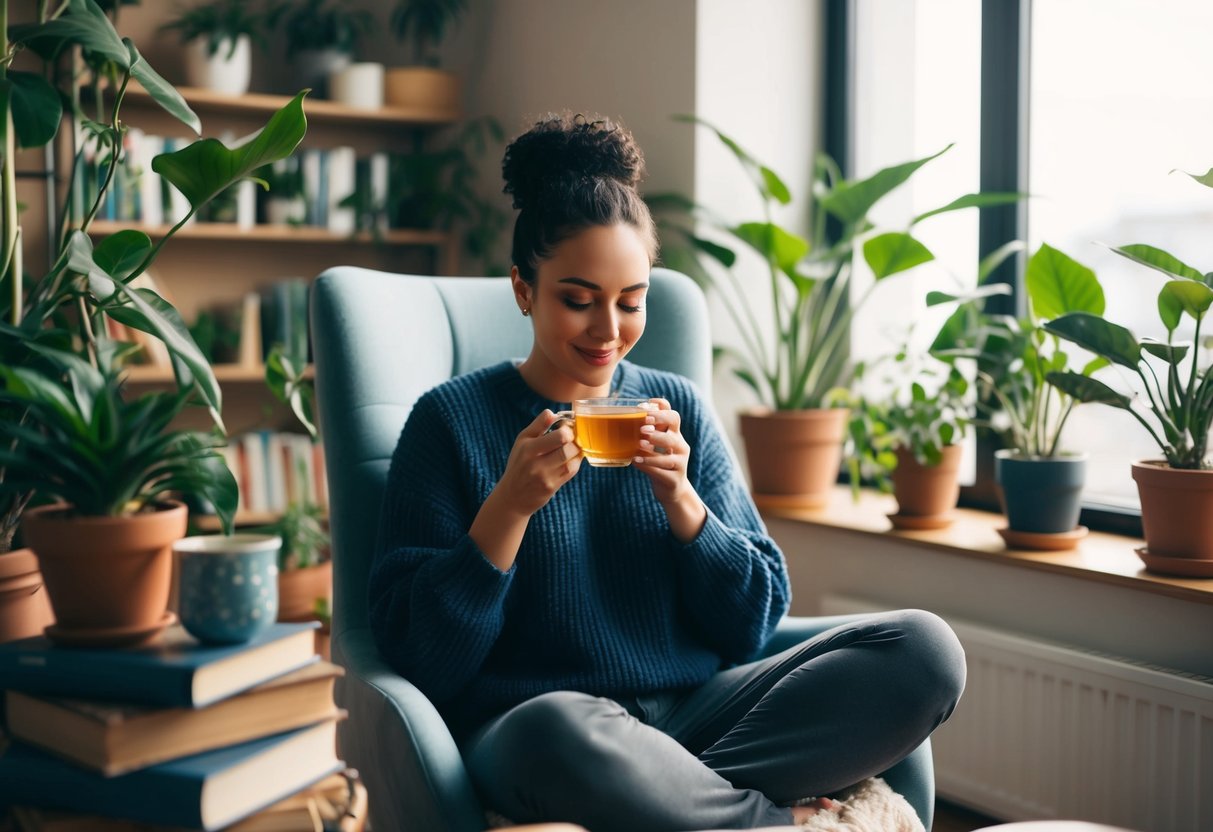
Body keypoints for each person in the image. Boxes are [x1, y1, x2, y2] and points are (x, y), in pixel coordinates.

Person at [369, 112, 966, 831]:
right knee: (560, 731)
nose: (607, 331)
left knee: (923, 652)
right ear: (524, 290)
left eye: (631, 301)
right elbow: (419, 657)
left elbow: (752, 624)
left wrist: (685, 505)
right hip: (544, 733)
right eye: (577, 300)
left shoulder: (674, 406)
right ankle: (769, 824)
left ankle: (674, 807)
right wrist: (509, 508)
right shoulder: (450, 422)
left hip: (693, 717)